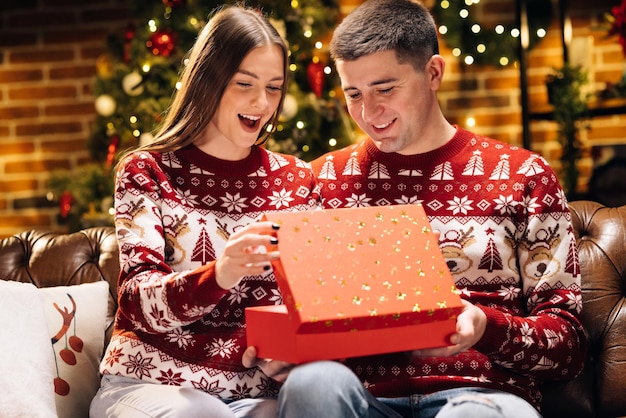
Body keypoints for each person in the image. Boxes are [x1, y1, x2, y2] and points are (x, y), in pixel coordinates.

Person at [300, 0, 586, 417]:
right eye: (353, 94)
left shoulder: (523, 175)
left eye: (385, 89)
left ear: (433, 73)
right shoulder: (321, 181)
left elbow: (569, 349)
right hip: (362, 400)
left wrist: (487, 328)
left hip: (482, 397)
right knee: (313, 384)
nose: (368, 113)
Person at [89, 5, 323, 417]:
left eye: (274, 87)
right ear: (208, 81)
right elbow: (136, 300)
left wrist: (291, 352)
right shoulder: (148, 171)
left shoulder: (297, 179)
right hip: (150, 382)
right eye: (244, 84)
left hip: (253, 394)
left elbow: (313, 303)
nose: (261, 102)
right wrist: (219, 274)